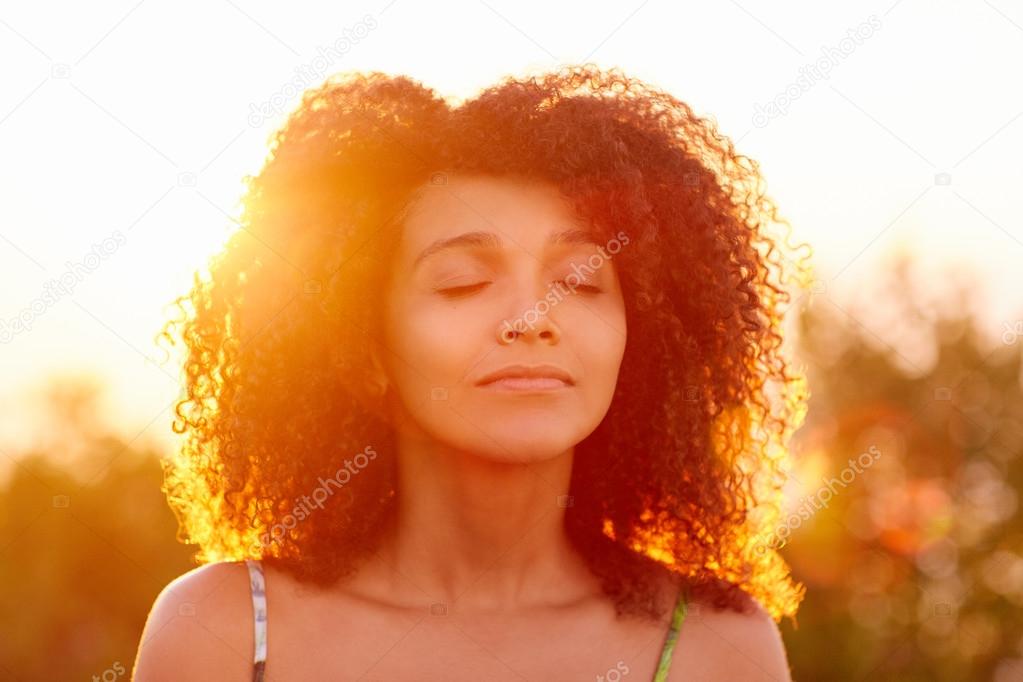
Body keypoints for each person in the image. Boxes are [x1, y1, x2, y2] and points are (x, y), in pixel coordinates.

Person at [132, 64, 808, 681]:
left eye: (579, 280)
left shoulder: (717, 649)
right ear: (361, 350)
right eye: (462, 283)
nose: (532, 317)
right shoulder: (224, 633)